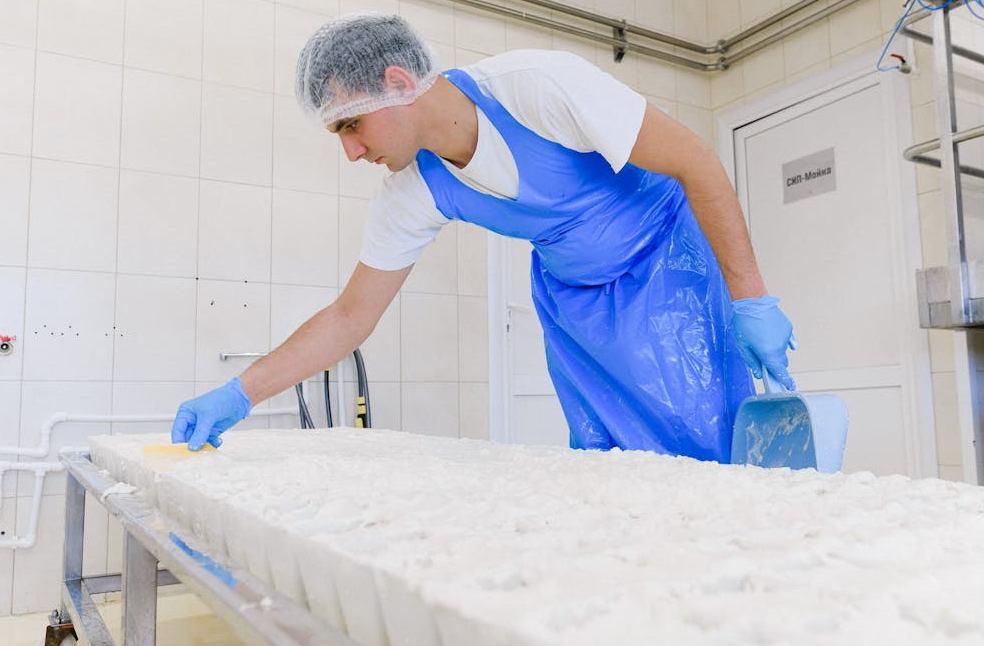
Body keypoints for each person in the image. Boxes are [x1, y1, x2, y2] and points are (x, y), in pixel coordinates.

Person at [171, 14, 796, 460]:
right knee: (613, 463)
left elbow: (696, 163)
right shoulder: (414, 188)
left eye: (351, 125)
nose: (351, 151)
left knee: (706, 448)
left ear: (396, 81)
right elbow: (348, 319)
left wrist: (750, 299)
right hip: (574, 304)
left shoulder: (536, 87)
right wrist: (240, 393)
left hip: (667, 270)